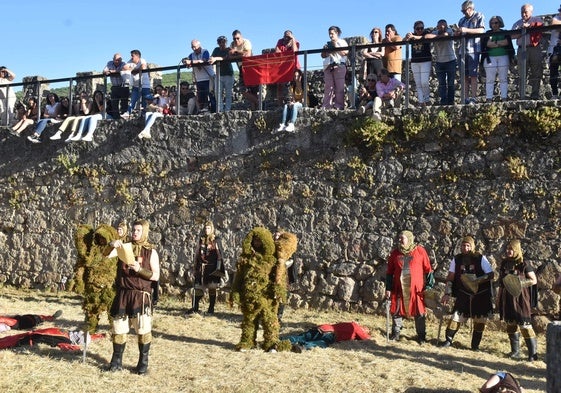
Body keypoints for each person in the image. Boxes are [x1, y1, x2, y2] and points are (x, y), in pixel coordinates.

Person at [104, 219, 160, 374]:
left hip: (140, 297)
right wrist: (111, 245)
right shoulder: (124, 247)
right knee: (119, 330)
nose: (135, 233)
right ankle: (116, 363)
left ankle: (142, 365)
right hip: (123, 294)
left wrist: (140, 269)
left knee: (143, 331)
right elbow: (105, 256)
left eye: (138, 230)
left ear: (144, 232)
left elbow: (156, 276)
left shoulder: (151, 251)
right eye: (134, 230)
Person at [440, 235, 494, 350]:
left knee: (479, 320)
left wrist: (476, 281)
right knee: (456, 317)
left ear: (472, 246)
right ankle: (448, 340)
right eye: (463, 245)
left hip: (479, 295)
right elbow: (450, 277)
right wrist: (447, 293)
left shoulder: (480, 258)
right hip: (463, 294)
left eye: (468, 245)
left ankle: (475, 346)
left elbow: (490, 274)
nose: (465, 248)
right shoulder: (457, 259)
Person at [385, 230, 434, 343]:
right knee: (397, 310)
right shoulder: (395, 253)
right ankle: (396, 333)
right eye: (400, 238)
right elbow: (389, 272)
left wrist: (429, 286)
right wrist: (388, 288)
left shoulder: (420, 251)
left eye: (403, 238)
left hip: (416, 291)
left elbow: (428, 270)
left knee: (419, 312)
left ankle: (421, 336)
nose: (400, 240)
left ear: (409, 238)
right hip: (399, 289)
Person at [496, 240, 538, 361]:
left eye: (511, 249)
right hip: (507, 298)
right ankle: (515, 352)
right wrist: (499, 297)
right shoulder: (504, 263)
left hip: (521, 298)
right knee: (511, 324)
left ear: (517, 250)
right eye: (508, 249)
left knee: (525, 325)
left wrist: (518, 283)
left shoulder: (524, 264)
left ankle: (532, 355)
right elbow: (501, 281)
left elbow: (533, 280)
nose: (509, 251)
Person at [185, 221, 226, 316]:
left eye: (208, 228)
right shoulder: (201, 239)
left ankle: (211, 308)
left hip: (211, 268)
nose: (206, 230)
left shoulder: (216, 240)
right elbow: (196, 254)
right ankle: (195, 307)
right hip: (201, 268)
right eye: (205, 228)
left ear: (212, 229)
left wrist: (218, 269)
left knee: (212, 288)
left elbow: (219, 255)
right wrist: (195, 268)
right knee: (198, 288)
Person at [511, 4, 544, 100]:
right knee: (522, 72)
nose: (523, 14)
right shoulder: (517, 23)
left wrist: (529, 27)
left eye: (525, 12)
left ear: (531, 12)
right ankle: (522, 95)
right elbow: (512, 36)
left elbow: (540, 28)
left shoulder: (537, 20)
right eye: (522, 12)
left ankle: (535, 94)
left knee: (536, 71)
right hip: (522, 49)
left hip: (534, 48)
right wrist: (522, 30)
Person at [456, 1, 485, 104]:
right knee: (464, 75)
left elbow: (481, 31)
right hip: (462, 50)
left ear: (470, 8)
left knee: (473, 75)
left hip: (474, 49)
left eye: (464, 10)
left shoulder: (479, 15)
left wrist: (466, 30)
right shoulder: (461, 20)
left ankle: (473, 97)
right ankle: (465, 98)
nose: (463, 13)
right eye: (462, 11)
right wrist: (458, 32)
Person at [480, 16, 515, 102]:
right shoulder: (487, 33)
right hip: (490, 58)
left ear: (500, 23)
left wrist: (494, 43)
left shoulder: (505, 33)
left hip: (504, 56)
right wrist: (500, 43)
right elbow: (487, 44)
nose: (494, 25)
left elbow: (507, 42)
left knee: (503, 78)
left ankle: (504, 97)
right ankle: (489, 98)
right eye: (492, 23)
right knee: (490, 78)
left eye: (496, 22)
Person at [282, 322, 370, 352]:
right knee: (322, 343)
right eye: (366, 329)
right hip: (330, 334)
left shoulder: (347, 324)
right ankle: (303, 346)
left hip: (322, 327)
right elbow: (365, 338)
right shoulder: (356, 327)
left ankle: (283, 340)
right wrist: (367, 333)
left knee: (302, 336)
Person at [426, 19, 457, 105]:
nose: (441, 28)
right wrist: (437, 36)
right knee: (441, 83)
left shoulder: (449, 30)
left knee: (451, 83)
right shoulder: (436, 32)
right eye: (439, 27)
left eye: (443, 26)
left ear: (446, 26)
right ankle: (443, 101)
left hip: (451, 60)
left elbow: (446, 35)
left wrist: (435, 37)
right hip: (439, 62)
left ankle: (451, 101)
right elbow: (427, 36)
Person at [0, 327, 104, 352]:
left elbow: (68, 347)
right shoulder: (67, 333)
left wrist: (78, 349)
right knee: (10, 338)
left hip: (32, 339)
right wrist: (99, 336)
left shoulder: (66, 340)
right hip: (34, 333)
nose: (79, 332)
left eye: (79, 335)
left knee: (9, 342)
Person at [183, 39, 215, 113]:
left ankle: (214, 111)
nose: (194, 49)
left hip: (208, 77)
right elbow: (187, 62)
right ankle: (203, 111)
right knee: (201, 97)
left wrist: (190, 62)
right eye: (192, 47)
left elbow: (203, 61)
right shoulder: (192, 55)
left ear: (199, 46)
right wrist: (186, 62)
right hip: (199, 79)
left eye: (195, 47)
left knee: (211, 95)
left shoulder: (205, 51)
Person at [229, 30, 259, 110]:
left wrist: (236, 52)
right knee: (243, 90)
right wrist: (241, 54)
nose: (236, 40)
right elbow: (230, 57)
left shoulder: (246, 42)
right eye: (234, 39)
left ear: (241, 37)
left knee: (253, 90)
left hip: (250, 68)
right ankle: (259, 103)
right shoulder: (232, 44)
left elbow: (248, 55)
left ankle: (257, 108)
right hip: (241, 68)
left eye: (238, 38)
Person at [321, 26, 348, 110]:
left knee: (339, 87)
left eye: (332, 34)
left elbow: (345, 53)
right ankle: (326, 106)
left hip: (339, 65)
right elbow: (322, 56)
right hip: (329, 66)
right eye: (329, 34)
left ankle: (339, 106)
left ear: (337, 33)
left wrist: (335, 46)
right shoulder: (327, 43)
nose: (330, 36)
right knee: (328, 87)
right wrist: (325, 50)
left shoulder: (342, 42)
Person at [405, 21, 432, 106]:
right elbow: (403, 41)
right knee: (418, 83)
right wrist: (407, 37)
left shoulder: (426, 33)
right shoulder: (412, 35)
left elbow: (427, 37)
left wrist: (414, 37)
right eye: (418, 28)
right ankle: (420, 101)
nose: (420, 30)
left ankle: (427, 99)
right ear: (414, 29)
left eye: (421, 28)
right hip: (415, 62)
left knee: (424, 81)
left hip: (425, 61)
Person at [275, 30, 301, 102]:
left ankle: (297, 100)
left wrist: (292, 40)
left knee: (296, 81)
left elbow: (295, 51)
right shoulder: (280, 41)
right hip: (282, 67)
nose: (286, 38)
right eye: (285, 36)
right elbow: (277, 52)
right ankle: (280, 104)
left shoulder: (296, 42)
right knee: (279, 85)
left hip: (294, 66)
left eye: (288, 36)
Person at [210, 35, 234, 112]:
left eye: (224, 42)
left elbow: (226, 58)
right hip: (219, 74)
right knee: (218, 93)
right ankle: (220, 109)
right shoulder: (216, 50)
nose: (222, 43)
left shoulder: (229, 49)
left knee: (228, 93)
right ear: (218, 43)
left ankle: (227, 110)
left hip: (228, 74)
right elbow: (211, 58)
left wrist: (216, 58)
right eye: (220, 42)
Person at [123, 49, 151, 116]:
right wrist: (135, 70)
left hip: (145, 85)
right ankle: (128, 113)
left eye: (133, 56)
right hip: (136, 86)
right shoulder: (130, 61)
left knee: (145, 101)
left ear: (137, 56)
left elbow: (143, 67)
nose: (131, 57)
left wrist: (132, 70)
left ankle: (144, 114)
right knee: (132, 101)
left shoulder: (142, 60)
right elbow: (124, 68)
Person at [276, 69, 304, 133]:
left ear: (300, 76)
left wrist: (295, 103)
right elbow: (293, 98)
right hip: (296, 102)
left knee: (295, 105)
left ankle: (292, 124)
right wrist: (292, 102)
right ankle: (283, 124)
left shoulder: (304, 85)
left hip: (303, 103)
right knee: (286, 105)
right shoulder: (292, 87)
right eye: (294, 76)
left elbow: (304, 99)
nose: (296, 78)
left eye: (297, 76)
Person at [103, 53, 129, 119]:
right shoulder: (109, 63)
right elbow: (104, 71)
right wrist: (107, 71)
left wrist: (113, 71)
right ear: (113, 59)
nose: (118, 61)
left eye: (119, 60)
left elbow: (125, 70)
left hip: (123, 86)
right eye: (116, 60)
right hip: (114, 86)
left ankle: (124, 118)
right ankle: (116, 118)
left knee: (124, 103)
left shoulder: (123, 63)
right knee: (114, 103)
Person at [547, 5, 561, 99]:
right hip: (554, 49)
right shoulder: (556, 17)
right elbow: (554, 24)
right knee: (553, 72)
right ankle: (555, 94)